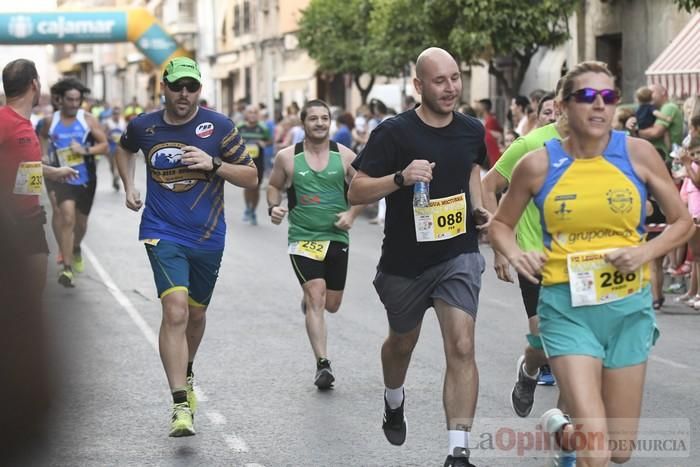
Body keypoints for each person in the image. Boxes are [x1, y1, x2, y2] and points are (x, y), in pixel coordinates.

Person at [489, 61, 692, 467]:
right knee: (596, 452)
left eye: (609, 97)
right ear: (564, 105)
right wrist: (514, 253)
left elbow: (682, 221)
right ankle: (575, 434)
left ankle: (558, 427)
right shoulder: (538, 163)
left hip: (627, 310)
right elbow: (501, 225)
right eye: (586, 96)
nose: (599, 105)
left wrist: (645, 253)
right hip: (568, 310)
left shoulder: (638, 154)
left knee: (618, 451)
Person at [348, 47, 490, 467]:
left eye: (455, 78)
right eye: (440, 80)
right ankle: (394, 399)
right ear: (419, 86)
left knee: (462, 346)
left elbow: (472, 171)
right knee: (402, 343)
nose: (450, 88)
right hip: (405, 262)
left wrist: (480, 209)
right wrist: (399, 177)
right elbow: (355, 191)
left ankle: (458, 451)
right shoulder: (393, 133)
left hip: (457, 252)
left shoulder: (472, 130)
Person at [115, 57, 257, 437]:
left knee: (195, 316)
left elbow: (250, 175)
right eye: (177, 86)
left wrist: (214, 164)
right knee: (174, 311)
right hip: (162, 231)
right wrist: (129, 185)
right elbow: (123, 149)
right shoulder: (144, 126)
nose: (184, 94)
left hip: (208, 237)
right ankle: (180, 403)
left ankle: (187, 370)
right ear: (163, 86)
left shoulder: (220, 127)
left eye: (191, 87)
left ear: (199, 90)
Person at [267, 99, 364, 389]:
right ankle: (323, 364)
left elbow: (362, 187)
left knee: (331, 304)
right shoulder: (287, 157)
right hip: (303, 238)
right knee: (316, 296)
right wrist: (274, 207)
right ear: (303, 123)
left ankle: (311, 302)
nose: (319, 123)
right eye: (313, 119)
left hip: (336, 236)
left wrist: (352, 213)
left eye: (324, 118)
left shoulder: (345, 156)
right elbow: (273, 186)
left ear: (330, 122)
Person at [0, 59, 79, 295]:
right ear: (34, 84)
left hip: (31, 218)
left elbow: (21, 165)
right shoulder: (4, 120)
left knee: (33, 288)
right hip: (10, 220)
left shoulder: (24, 124)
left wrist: (54, 171)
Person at [38, 77, 108, 287]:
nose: (74, 104)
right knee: (66, 216)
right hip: (60, 176)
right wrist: (43, 155)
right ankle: (66, 267)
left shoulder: (87, 120)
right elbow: (41, 135)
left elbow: (104, 145)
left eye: (78, 99)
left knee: (81, 222)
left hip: (85, 177)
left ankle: (75, 247)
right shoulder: (51, 120)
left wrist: (85, 150)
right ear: (60, 99)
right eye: (70, 99)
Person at [237, 104, 271, 225]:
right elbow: (233, 141)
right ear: (246, 114)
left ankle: (253, 210)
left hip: (259, 161)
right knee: (247, 186)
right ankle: (247, 207)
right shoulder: (240, 127)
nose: (252, 114)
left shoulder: (263, 128)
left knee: (256, 187)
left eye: (255, 112)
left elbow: (269, 141)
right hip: (245, 161)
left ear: (258, 115)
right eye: (250, 112)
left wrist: (263, 143)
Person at [103, 105, 126, 191]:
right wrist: (109, 137)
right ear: (112, 114)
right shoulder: (108, 123)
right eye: (114, 114)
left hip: (120, 146)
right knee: (112, 165)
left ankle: (116, 177)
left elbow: (126, 133)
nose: (116, 115)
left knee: (117, 164)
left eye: (117, 114)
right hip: (110, 146)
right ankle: (114, 177)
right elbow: (103, 134)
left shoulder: (123, 122)